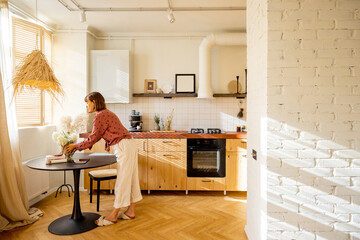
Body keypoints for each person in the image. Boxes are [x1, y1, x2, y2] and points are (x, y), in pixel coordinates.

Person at [65, 92, 142, 226]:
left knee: (123, 179)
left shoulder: (100, 115)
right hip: (129, 144)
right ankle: (131, 210)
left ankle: (113, 215)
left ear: (94, 102)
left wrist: (75, 146)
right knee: (131, 177)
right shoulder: (106, 113)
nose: (86, 106)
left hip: (123, 145)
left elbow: (93, 138)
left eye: (87, 103)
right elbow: (98, 135)